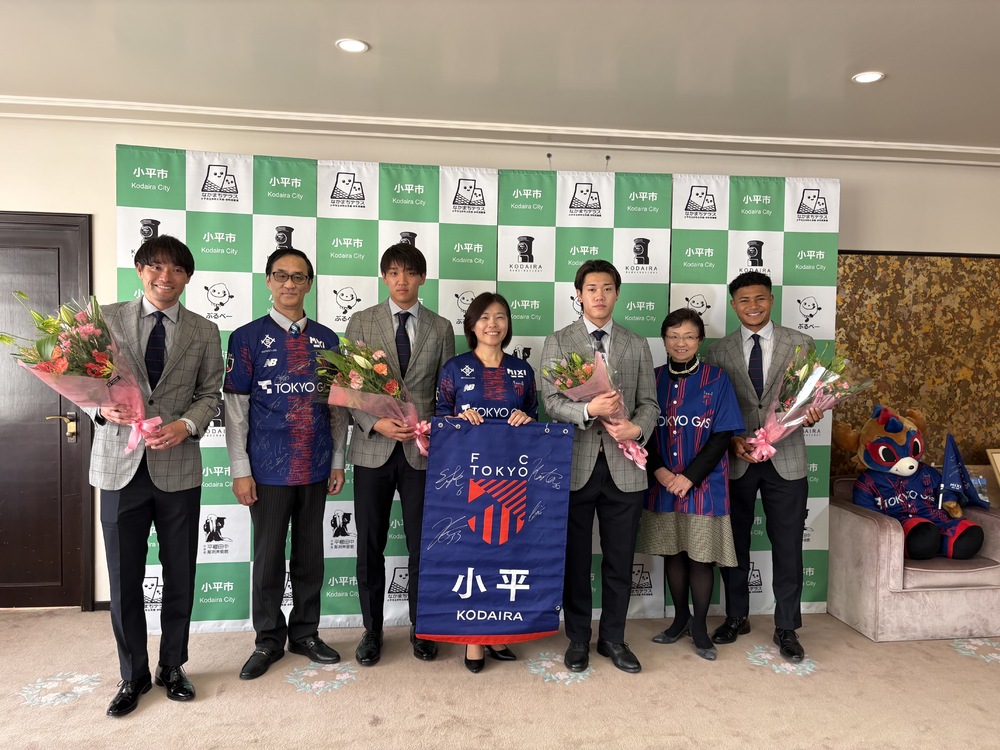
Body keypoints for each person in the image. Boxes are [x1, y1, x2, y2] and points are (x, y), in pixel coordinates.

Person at [89, 235, 223, 717]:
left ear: (187, 277)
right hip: (118, 466)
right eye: (156, 267)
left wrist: (186, 425)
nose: (166, 277)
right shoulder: (104, 319)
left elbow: (210, 394)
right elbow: (82, 380)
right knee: (124, 577)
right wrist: (100, 408)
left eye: (177, 269)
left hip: (177, 465)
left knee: (180, 573)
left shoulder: (205, 330)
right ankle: (133, 674)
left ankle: (172, 665)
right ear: (140, 269)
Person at [224, 247, 348, 680]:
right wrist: (240, 469)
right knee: (268, 558)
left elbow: (338, 408)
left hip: (315, 464)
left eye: (298, 277)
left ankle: (306, 633)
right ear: (268, 281)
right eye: (281, 275)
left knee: (310, 555)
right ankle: (268, 639)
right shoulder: (246, 338)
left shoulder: (328, 340)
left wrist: (337, 460)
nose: (289, 284)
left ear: (310, 284)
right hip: (267, 468)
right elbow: (235, 410)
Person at [540, 259, 658, 674]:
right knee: (575, 560)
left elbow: (650, 403)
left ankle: (613, 638)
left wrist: (636, 428)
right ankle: (577, 638)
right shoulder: (558, 341)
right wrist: (589, 409)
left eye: (607, 288)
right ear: (579, 295)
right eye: (591, 289)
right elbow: (550, 402)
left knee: (619, 560)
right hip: (575, 465)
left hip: (625, 467)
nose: (599, 296)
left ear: (617, 293)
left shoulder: (636, 343)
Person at [345, 242, 454, 666]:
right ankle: (372, 630)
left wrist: (432, 429)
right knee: (369, 544)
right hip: (373, 448)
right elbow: (349, 388)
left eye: (409, 272)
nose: (401, 280)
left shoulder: (441, 327)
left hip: (422, 452)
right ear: (384, 277)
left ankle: (421, 626)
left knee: (423, 545)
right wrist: (375, 423)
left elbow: (446, 394)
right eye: (393, 272)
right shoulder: (362, 320)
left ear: (422, 278)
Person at [704, 271, 821, 662]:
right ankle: (737, 616)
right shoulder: (718, 351)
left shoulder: (800, 343)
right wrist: (731, 440)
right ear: (733, 305)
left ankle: (786, 626)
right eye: (744, 300)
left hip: (786, 459)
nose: (752, 306)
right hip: (737, 459)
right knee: (734, 543)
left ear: (771, 300)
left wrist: (813, 411)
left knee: (788, 545)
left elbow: (808, 398)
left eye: (759, 298)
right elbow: (714, 409)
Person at [435, 291, 537, 672]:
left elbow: (534, 418)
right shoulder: (454, 368)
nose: (492, 324)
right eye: (484, 317)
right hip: (466, 478)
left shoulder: (522, 371)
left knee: (504, 552)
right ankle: (473, 639)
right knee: (471, 555)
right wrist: (457, 421)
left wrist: (527, 420)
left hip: (511, 478)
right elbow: (439, 420)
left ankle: (496, 631)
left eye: (500, 317)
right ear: (472, 325)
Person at [636, 308, 744, 661]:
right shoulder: (652, 378)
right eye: (673, 336)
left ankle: (699, 626)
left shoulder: (717, 378)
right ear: (664, 340)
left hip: (704, 486)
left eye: (689, 336)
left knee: (700, 558)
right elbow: (642, 430)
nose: (680, 343)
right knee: (673, 552)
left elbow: (722, 435)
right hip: (663, 483)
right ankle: (679, 618)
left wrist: (689, 477)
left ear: (700, 340)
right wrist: (660, 471)